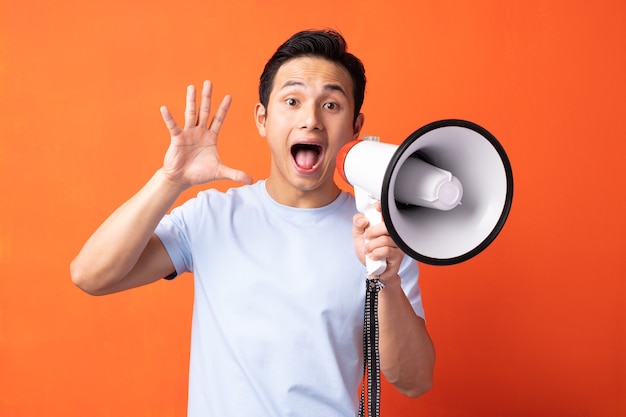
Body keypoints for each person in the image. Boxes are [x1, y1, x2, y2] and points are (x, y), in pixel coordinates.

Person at [71, 29, 435, 416]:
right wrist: (170, 180)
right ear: (262, 119)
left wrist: (387, 279)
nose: (310, 120)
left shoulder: (380, 235)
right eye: (292, 101)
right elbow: (90, 275)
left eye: (331, 105)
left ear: (355, 128)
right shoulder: (210, 217)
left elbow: (415, 381)